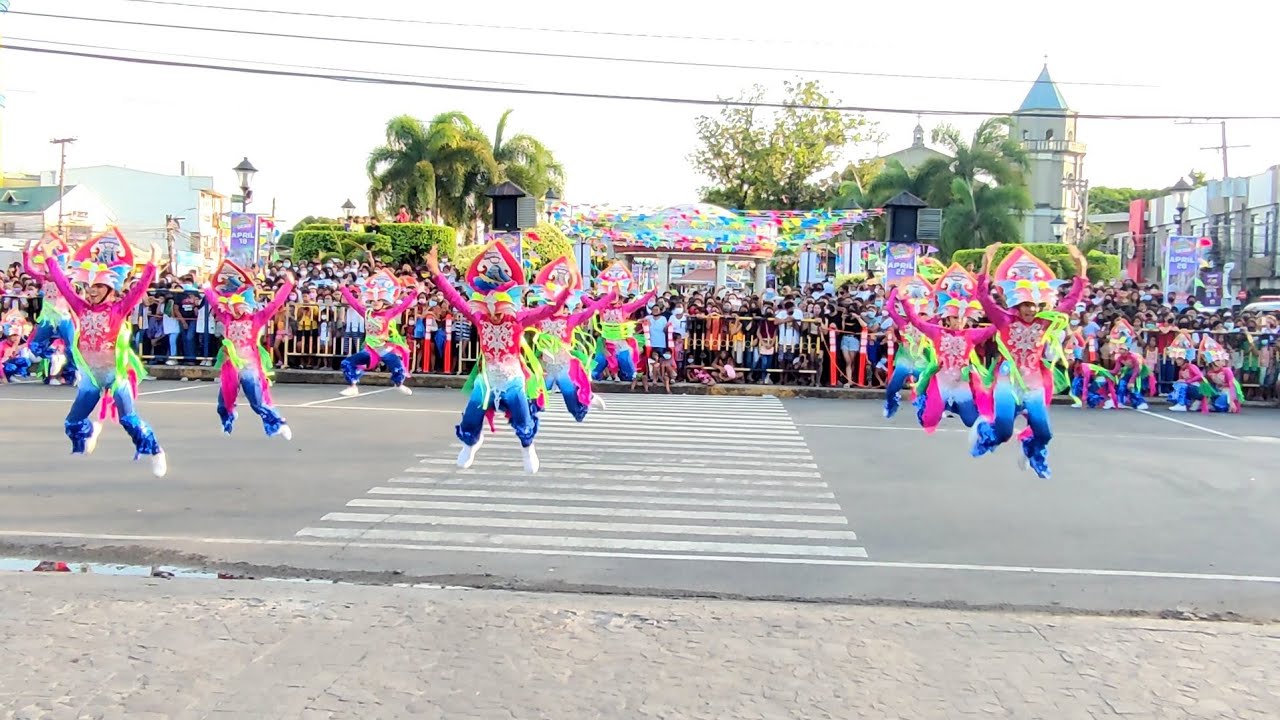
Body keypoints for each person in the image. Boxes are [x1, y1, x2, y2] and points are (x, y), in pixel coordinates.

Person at [428, 243, 571, 473]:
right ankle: (470, 443)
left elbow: (548, 311)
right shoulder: (479, 318)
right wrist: (436, 274)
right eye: (489, 307)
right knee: (472, 413)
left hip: (513, 377)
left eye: (499, 307)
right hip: (488, 377)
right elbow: (455, 299)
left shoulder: (518, 320)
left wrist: (566, 293)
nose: (493, 313)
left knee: (522, 415)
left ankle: (527, 447)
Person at [45, 228, 167, 477]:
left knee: (128, 420)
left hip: (115, 374)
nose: (92, 290)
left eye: (99, 286)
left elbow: (139, 289)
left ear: (110, 289)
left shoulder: (118, 309)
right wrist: (49, 258)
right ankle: (91, 430)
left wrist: (152, 264)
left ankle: (156, 451)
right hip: (91, 377)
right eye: (90, 286)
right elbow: (63, 285)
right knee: (72, 423)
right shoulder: (80, 308)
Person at [969, 244, 1087, 479]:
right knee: (1004, 431)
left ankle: (1030, 448)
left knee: (1044, 433)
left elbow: (1072, 300)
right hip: (1007, 379)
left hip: (1033, 381)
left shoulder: (1045, 322)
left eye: (1034, 305)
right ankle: (985, 431)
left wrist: (1081, 268)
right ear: (1017, 304)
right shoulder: (1004, 319)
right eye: (1026, 304)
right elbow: (983, 296)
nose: (1030, 309)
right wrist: (986, 263)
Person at [890, 264, 997, 432]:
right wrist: (904, 300)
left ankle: (952, 406)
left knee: (971, 421)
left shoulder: (971, 335)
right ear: (947, 318)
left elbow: (996, 326)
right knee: (929, 421)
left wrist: (1007, 313)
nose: (958, 321)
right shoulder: (937, 332)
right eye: (955, 317)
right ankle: (935, 403)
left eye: (961, 318)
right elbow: (916, 321)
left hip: (961, 383)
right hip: (941, 382)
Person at [202, 259, 295, 438]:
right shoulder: (227, 319)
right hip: (231, 365)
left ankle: (278, 423)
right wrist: (207, 288)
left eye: (241, 306)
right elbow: (214, 303)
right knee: (222, 402)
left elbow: (275, 304)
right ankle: (228, 420)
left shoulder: (256, 319)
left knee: (257, 403)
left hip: (249, 366)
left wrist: (288, 285)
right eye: (235, 306)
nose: (238, 309)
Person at [528, 256, 614, 421]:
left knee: (574, 406)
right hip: (545, 367)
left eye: (560, 305)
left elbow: (592, 309)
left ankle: (587, 401)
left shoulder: (570, 320)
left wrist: (610, 296)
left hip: (564, 368)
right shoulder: (539, 318)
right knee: (535, 400)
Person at [337, 269, 417, 397]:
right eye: (373, 301)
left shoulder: (388, 313)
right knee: (346, 363)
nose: (375, 302)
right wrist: (343, 289)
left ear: (383, 302)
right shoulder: (367, 313)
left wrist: (415, 292)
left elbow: (403, 306)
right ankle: (352, 386)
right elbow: (354, 303)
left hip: (384, 347)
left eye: (378, 301)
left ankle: (399, 384)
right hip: (369, 349)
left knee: (397, 366)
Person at [21, 233, 77, 384]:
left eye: (50, 270)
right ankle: (54, 358)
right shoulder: (42, 278)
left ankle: (71, 374)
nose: (47, 273)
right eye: (45, 270)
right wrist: (26, 252)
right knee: (35, 346)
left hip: (63, 317)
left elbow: (77, 270)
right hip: (47, 317)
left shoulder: (65, 279)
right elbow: (28, 269)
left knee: (72, 348)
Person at [591, 261, 655, 383]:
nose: (616, 299)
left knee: (628, 367)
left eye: (619, 297)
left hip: (621, 341)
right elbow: (590, 305)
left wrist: (652, 293)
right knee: (596, 367)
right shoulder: (602, 307)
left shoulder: (625, 308)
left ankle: (628, 378)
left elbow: (640, 302)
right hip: (606, 341)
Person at [883, 276, 935, 419]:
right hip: (905, 361)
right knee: (892, 388)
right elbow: (890, 308)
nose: (919, 315)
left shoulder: (929, 325)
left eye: (922, 313)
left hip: (922, 362)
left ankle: (923, 412)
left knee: (924, 391)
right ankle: (891, 404)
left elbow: (938, 313)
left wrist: (933, 294)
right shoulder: (903, 323)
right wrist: (895, 291)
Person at [1106, 318, 1150, 410]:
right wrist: (1105, 372)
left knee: (1132, 387)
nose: (1120, 351)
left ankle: (1141, 402)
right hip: (1128, 371)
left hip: (1138, 371)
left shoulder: (1133, 357)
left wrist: (1131, 381)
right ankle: (1120, 401)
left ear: (1127, 350)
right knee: (1122, 383)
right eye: (1120, 349)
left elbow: (1137, 369)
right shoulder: (1120, 358)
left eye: (1122, 349)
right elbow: (1116, 370)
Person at [1198, 334, 1242, 413]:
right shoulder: (1209, 372)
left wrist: (1232, 401)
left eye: (1221, 360)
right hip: (1217, 391)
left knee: (1220, 404)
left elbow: (1232, 385)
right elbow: (1207, 386)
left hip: (1228, 392)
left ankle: (1225, 405)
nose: (1220, 362)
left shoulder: (1226, 370)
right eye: (1217, 360)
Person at [1164, 333, 1205, 412]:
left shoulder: (1191, 366)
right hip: (1190, 388)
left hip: (1198, 389)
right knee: (1178, 384)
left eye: (1179, 359)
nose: (1177, 361)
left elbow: (1200, 376)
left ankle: (1181, 404)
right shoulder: (1181, 370)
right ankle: (1184, 402)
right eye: (1176, 359)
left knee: (1182, 384)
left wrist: (1187, 381)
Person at [0, 309, 32, 382]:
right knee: (11, 367)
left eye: (17, 335)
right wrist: (3, 377)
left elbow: (28, 343)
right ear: (8, 336)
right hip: (2, 366)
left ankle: (11, 375)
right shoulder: (2, 345)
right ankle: (5, 376)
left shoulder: (16, 343)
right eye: (14, 335)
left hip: (8, 362)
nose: (16, 338)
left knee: (25, 361)